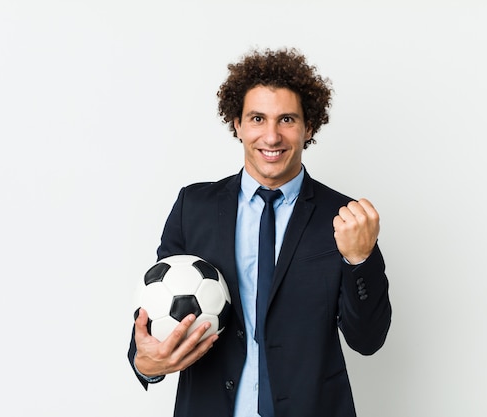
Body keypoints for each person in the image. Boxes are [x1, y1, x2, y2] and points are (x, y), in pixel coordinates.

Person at [128, 47, 392, 417]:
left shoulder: (345, 217)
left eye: (286, 119)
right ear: (236, 124)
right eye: (257, 118)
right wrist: (147, 365)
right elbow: (155, 313)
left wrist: (359, 259)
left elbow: (367, 340)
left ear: (308, 127)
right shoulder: (195, 207)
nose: (271, 136)